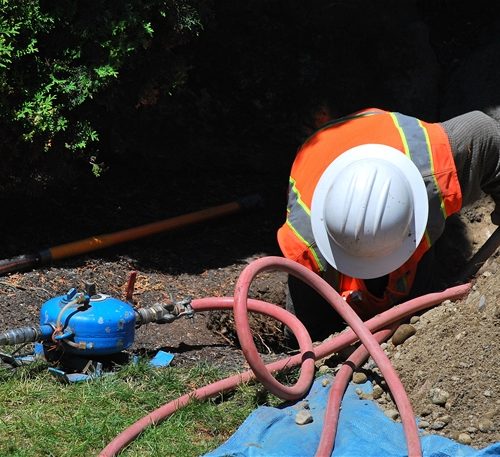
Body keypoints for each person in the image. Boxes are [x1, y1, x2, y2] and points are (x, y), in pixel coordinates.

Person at [277, 107, 500, 342]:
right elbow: (301, 337)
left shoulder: (435, 169)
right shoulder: (305, 249)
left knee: (418, 283)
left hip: (385, 133)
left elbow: (486, 132)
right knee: (307, 327)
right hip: (319, 150)